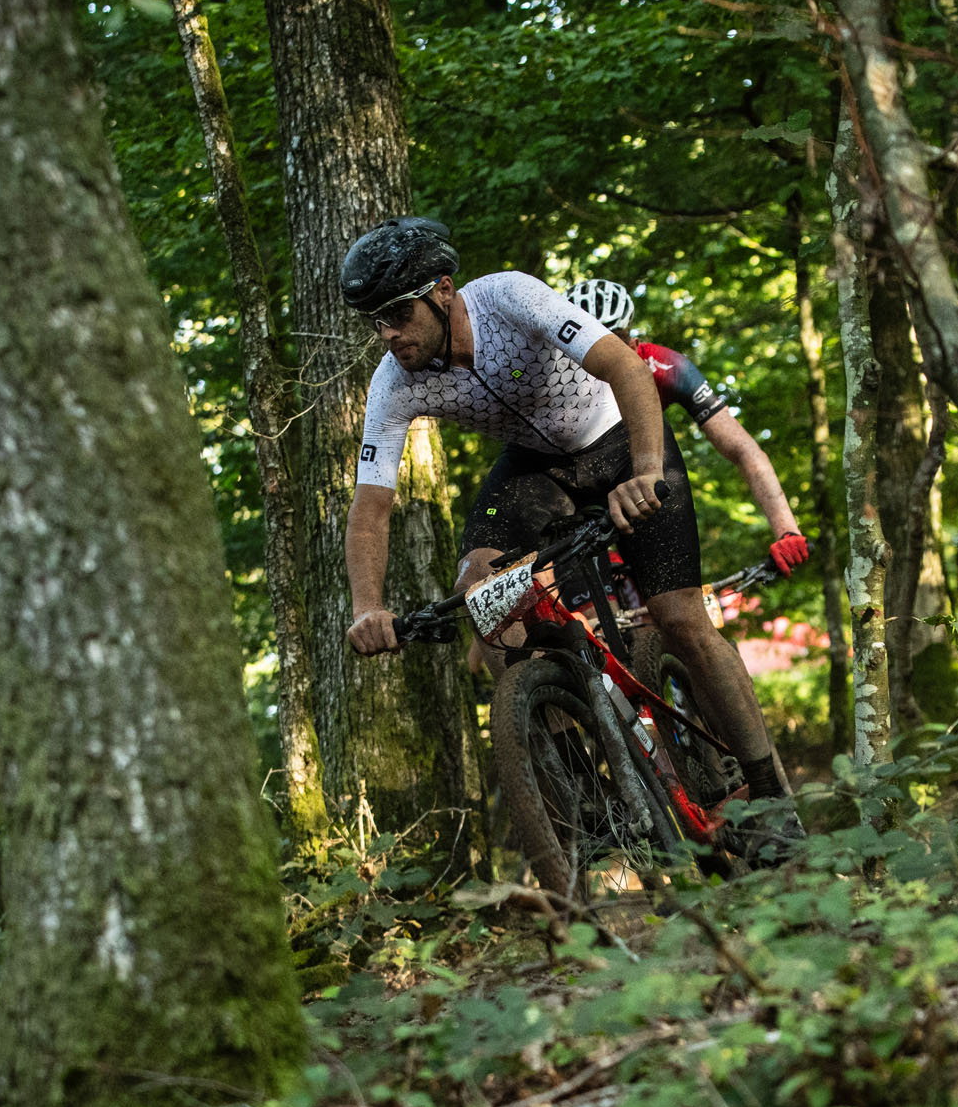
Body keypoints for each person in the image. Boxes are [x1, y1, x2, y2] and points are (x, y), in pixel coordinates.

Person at [339, 217, 790, 806]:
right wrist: (367, 608)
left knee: (679, 617)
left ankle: (770, 793)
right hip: (536, 465)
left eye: (399, 313)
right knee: (481, 589)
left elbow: (626, 367)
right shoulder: (393, 382)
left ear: (443, 291)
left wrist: (646, 472)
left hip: (617, 436)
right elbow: (371, 506)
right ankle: (587, 804)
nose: (388, 334)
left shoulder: (508, 297)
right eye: (375, 321)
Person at [561, 278, 809, 582]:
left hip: (636, 481)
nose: (606, 355)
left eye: (617, 340)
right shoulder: (557, 379)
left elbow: (743, 449)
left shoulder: (665, 366)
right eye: (592, 345)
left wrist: (787, 530)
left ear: (633, 342)